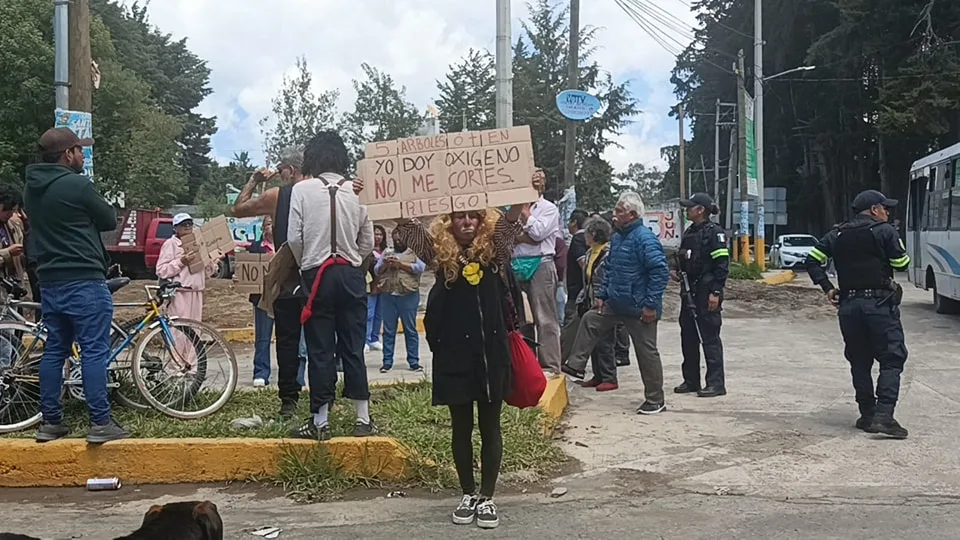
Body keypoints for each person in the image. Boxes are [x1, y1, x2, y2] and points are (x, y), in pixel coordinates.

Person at [384, 180, 534, 531]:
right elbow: (404, 224)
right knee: (461, 427)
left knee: (491, 426)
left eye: (473, 217)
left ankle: (487, 497)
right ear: (449, 222)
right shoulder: (437, 254)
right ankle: (467, 493)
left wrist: (527, 188)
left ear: (483, 221)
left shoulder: (495, 251)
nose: (467, 222)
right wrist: (378, 190)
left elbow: (512, 222)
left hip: (491, 354)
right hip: (454, 355)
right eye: (459, 217)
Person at [24, 127, 127, 443]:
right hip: (84, 280)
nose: (83, 155)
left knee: (55, 350)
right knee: (94, 350)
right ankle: (100, 423)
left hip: (50, 282)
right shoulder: (78, 185)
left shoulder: (30, 191)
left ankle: (51, 422)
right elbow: (109, 219)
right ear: (67, 154)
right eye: (80, 150)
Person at [232, 146, 335, 419]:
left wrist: (255, 180)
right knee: (322, 339)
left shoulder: (277, 195)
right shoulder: (327, 191)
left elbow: (238, 208)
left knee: (287, 341)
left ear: (288, 171)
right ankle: (325, 398)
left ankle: (288, 400)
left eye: (281, 171)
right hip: (322, 275)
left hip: (290, 277)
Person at [287, 131, 374, 440]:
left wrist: (305, 263)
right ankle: (363, 418)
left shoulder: (302, 190)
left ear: (313, 158)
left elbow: (294, 238)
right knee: (353, 346)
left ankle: (321, 422)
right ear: (342, 157)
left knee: (320, 349)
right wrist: (353, 259)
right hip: (351, 274)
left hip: (316, 275)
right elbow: (368, 241)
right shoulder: (358, 190)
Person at [804, 189, 911, 439]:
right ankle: (884, 417)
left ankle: (867, 414)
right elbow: (901, 264)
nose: (888, 212)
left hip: (849, 306)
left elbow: (812, 260)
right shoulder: (884, 230)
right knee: (891, 357)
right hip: (879, 304)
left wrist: (828, 288)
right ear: (874, 209)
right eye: (885, 208)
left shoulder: (836, 234)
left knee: (859, 361)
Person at [562, 191, 669, 415]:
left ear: (631, 215)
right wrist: (602, 296)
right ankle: (576, 366)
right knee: (591, 319)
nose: (614, 214)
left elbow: (660, 272)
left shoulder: (644, 239)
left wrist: (651, 304)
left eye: (619, 211)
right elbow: (609, 269)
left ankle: (655, 399)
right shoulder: (618, 237)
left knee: (646, 352)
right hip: (616, 302)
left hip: (639, 308)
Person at [671, 193, 730, 398]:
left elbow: (722, 266)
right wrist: (676, 271)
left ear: (700, 210)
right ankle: (691, 380)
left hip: (707, 292)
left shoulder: (715, 234)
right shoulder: (689, 233)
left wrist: (716, 292)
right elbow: (683, 260)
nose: (687, 210)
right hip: (689, 293)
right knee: (688, 336)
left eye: (690, 207)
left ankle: (716, 383)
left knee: (710, 338)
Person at [512, 168, 562, 376]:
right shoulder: (510, 208)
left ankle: (550, 365)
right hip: (515, 263)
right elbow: (507, 234)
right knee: (520, 318)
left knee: (545, 318)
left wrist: (526, 214)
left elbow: (539, 233)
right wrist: (525, 235)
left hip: (541, 264)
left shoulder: (549, 209)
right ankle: (527, 364)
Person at [573, 216, 619, 391]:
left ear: (594, 235)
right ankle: (598, 375)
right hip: (590, 299)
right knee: (593, 340)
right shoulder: (590, 252)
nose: (585, 236)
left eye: (587, 233)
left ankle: (609, 376)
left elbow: (605, 278)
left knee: (605, 340)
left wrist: (603, 297)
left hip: (604, 301)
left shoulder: (607, 253)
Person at [374, 228, 426, 373]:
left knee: (410, 330)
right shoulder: (387, 252)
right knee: (388, 331)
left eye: (400, 238)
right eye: (395, 239)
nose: (398, 241)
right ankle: (387, 362)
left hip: (408, 295)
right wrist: (385, 264)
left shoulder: (414, 252)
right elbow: (377, 269)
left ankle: (414, 362)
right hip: (388, 295)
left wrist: (401, 265)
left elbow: (420, 268)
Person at [248, 216, 276, 387]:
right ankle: (261, 372)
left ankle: (291, 372)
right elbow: (247, 269)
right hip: (262, 298)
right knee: (263, 337)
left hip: (283, 296)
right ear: (262, 228)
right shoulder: (255, 247)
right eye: (267, 224)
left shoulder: (285, 246)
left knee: (289, 337)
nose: (270, 227)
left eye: (273, 223)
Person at [365, 224, 388, 352]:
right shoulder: (367, 250)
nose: (378, 237)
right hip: (371, 285)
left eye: (380, 234)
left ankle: (374, 338)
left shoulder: (386, 250)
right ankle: (366, 339)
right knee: (369, 313)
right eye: (375, 234)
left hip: (383, 286)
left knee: (379, 314)